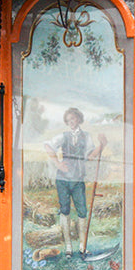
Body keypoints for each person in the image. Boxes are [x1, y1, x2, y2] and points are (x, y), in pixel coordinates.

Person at [43, 107, 106, 258]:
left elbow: (90, 156)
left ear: (79, 119)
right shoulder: (63, 136)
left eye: (74, 119)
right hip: (63, 180)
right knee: (65, 210)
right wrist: (58, 164)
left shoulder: (86, 136)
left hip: (78, 180)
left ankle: (82, 247)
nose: (72, 122)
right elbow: (47, 146)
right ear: (67, 121)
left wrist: (102, 145)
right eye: (69, 120)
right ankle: (69, 247)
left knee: (82, 211)